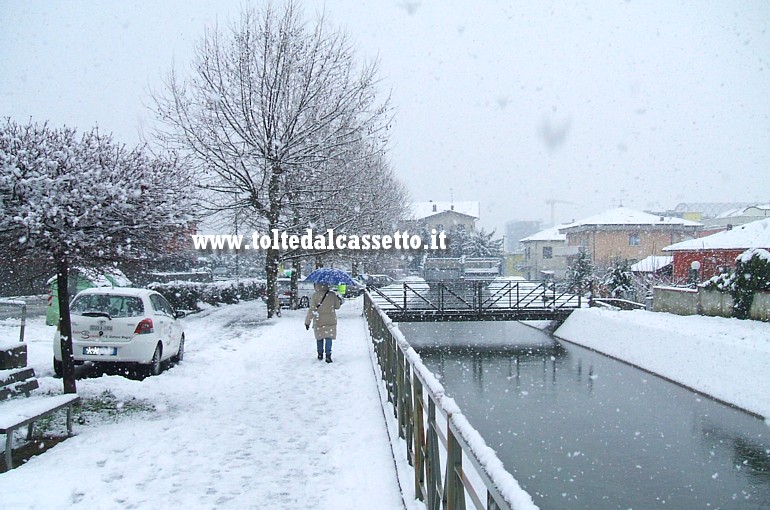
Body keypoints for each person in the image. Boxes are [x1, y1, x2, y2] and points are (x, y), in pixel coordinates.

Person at [304, 283, 343, 363]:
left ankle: (320, 354)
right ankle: (328, 355)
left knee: (319, 337)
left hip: (319, 319)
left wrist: (307, 322)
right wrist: (337, 300)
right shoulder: (332, 294)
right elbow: (337, 307)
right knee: (329, 337)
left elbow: (312, 310)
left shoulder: (315, 295)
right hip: (330, 319)